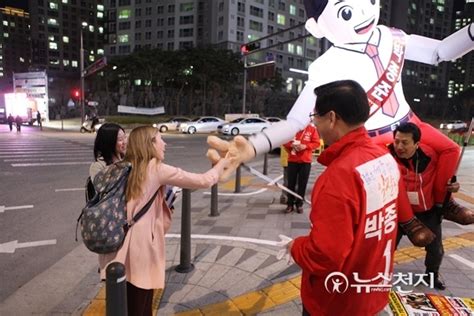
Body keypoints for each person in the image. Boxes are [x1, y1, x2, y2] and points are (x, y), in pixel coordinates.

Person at [207, 0, 472, 234]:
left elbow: (440, 52)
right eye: (346, 11)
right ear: (316, 27)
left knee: (449, 149)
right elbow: (296, 121)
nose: (364, 11)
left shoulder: (393, 37)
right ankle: (407, 221)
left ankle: (443, 202)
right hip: (374, 139)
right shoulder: (327, 65)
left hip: (409, 122)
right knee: (389, 177)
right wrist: (253, 146)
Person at [287, 80, 406, 315]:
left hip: (336, 300)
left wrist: (295, 247)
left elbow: (324, 257)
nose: (315, 123)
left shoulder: (339, 176)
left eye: (315, 116)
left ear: (331, 117)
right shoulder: (382, 157)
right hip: (372, 288)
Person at [99, 126, 229, 315]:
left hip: (116, 247)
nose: (165, 143)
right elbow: (204, 180)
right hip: (140, 250)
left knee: (123, 303)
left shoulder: (119, 167)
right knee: (141, 305)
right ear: (150, 144)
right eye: (160, 139)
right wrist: (222, 163)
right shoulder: (156, 169)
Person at [389, 122, 463, 290]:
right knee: (387, 246)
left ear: (417, 144)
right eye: (397, 141)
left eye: (405, 142)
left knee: (435, 249)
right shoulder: (387, 155)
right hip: (399, 212)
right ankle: (380, 274)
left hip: (427, 211)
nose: (399, 146)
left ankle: (431, 274)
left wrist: (454, 186)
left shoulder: (432, 157)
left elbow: (447, 178)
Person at [283, 123, 320, 213]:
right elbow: (284, 141)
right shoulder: (292, 128)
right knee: (290, 183)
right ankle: (290, 204)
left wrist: (305, 146)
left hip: (305, 161)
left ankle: (299, 204)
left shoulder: (311, 129)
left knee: (302, 184)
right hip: (292, 160)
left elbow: (317, 143)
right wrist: (291, 145)